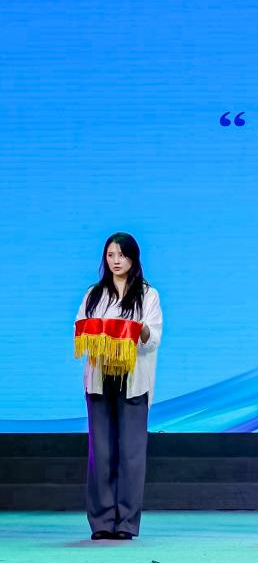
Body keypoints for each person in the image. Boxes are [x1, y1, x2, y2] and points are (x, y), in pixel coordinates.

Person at [74, 232, 163, 541]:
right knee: (100, 453)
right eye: (110, 255)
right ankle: (101, 521)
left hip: (133, 380)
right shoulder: (94, 294)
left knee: (131, 454)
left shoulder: (148, 295)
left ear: (133, 258)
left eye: (122, 255)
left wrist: (136, 331)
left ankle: (126, 522)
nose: (116, 261)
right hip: (100, 380)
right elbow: (80, 328)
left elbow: (153, 339)